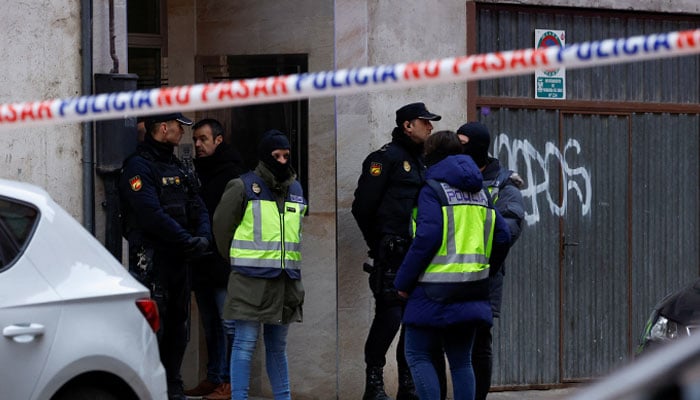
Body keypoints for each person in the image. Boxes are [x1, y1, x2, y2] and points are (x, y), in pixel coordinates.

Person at [393, 130, 512, 400]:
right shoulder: (480, 190)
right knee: (461, 362)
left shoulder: (433, 189)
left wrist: (402, 283)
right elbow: (502, 236)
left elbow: (426, 237)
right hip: (473, 289)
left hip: (432, 290)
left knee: (417, 354)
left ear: (430, 157)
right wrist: (486, 270)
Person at [352, 102, 442, 400]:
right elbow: (362, 207)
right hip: (392, 254)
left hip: (418, 254)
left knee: (413, 320)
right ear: (407, 125)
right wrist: (379, 243)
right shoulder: (385, 159)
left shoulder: (424, 162)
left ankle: (407, 384)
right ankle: (374, 383)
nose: (430, 127)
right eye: (424, 122)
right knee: (389, 317)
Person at [119, 112, 212, 400]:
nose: (182, 133)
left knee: (178, 323)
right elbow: (150, 215)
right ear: (162, 128)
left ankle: (173, 384)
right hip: (153, 261)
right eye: (178, 127)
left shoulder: (178, 166)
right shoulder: (138, 167)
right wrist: (187, 240)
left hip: (179, 261)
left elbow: (198, 205)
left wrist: (204, 237)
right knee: (152, 328)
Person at [213, 129, 307, 400]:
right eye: (276, 155)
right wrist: (236, 260)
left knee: (278, 347)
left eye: (286, 155)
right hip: (249, 281)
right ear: (265, 156)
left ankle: (283, 397)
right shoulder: (242, 186)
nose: (282, 160)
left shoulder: (295, 189)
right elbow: (221, 228)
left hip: (286, 282)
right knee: (244, 343)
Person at [456, 121, 524, 400]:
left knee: (479, 343)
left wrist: (486, 263)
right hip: (450, 272)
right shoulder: (452, 176)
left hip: (486, 276)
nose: (458, 148)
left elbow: (511, 227)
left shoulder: (503, 183)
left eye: (463, 142)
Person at [184, 118, 247, 400]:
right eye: (195, 139)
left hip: (224, 261)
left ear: (218, 140)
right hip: (202, 259)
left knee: (228, 323)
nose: (197, 144)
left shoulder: (233, 172)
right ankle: (215, 376)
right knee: (210, 324)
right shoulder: (196, 171)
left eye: (203, 139)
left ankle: (232, 382)